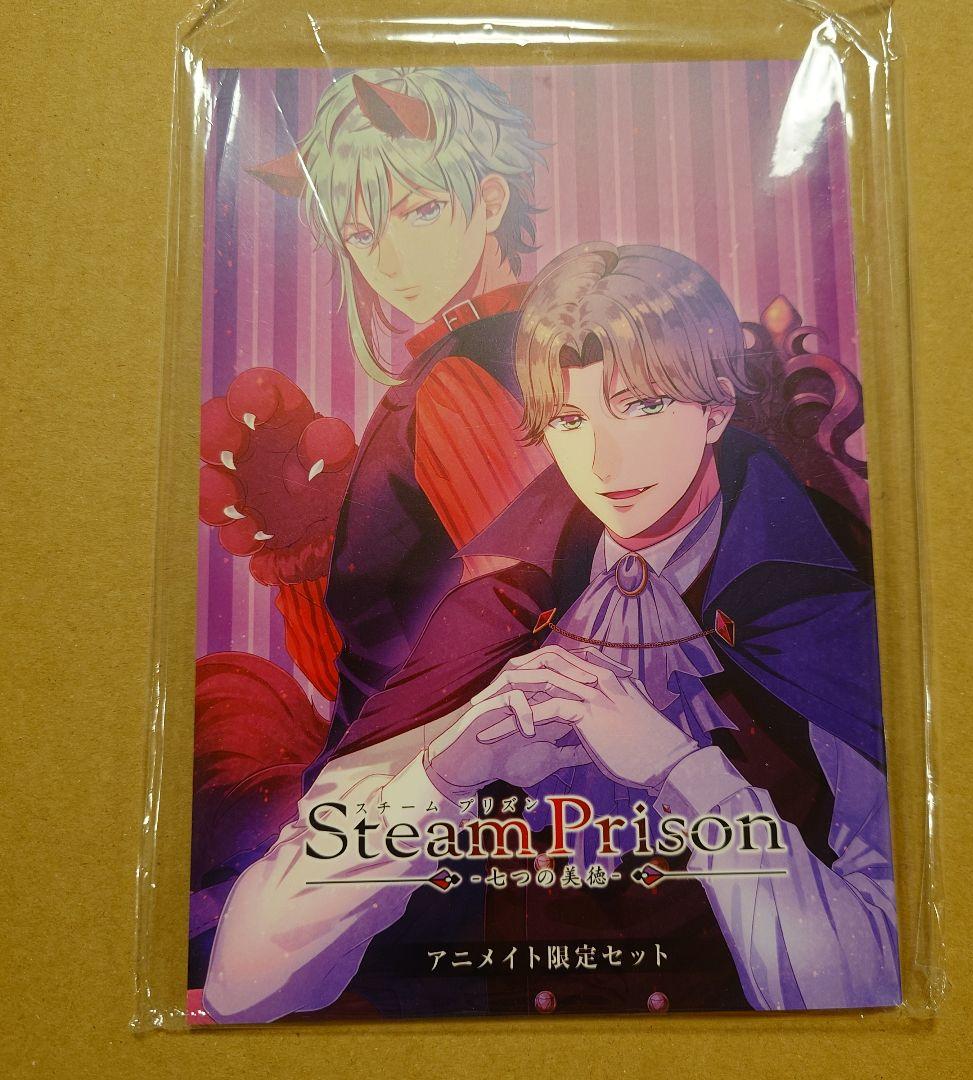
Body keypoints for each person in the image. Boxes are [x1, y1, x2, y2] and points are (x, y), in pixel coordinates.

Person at [203, 243, 901, 1022]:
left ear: (715, 409)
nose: (602, 459)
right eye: (570, 419)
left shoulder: (814, 614)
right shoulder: (499, 613)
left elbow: (872, 987)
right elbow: (244, 982)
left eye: (641, 405)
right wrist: (440, 775)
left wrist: (682, 772)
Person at [250, 67, 550, 781]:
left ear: (490, 202)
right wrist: (307, 553)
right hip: (413, 782)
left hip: (453, 793)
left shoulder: (465, 377)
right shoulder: (480, 358)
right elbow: (367, 663)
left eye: (419, 211)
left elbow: (526, 623)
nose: (388, 259)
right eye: (361, 232)